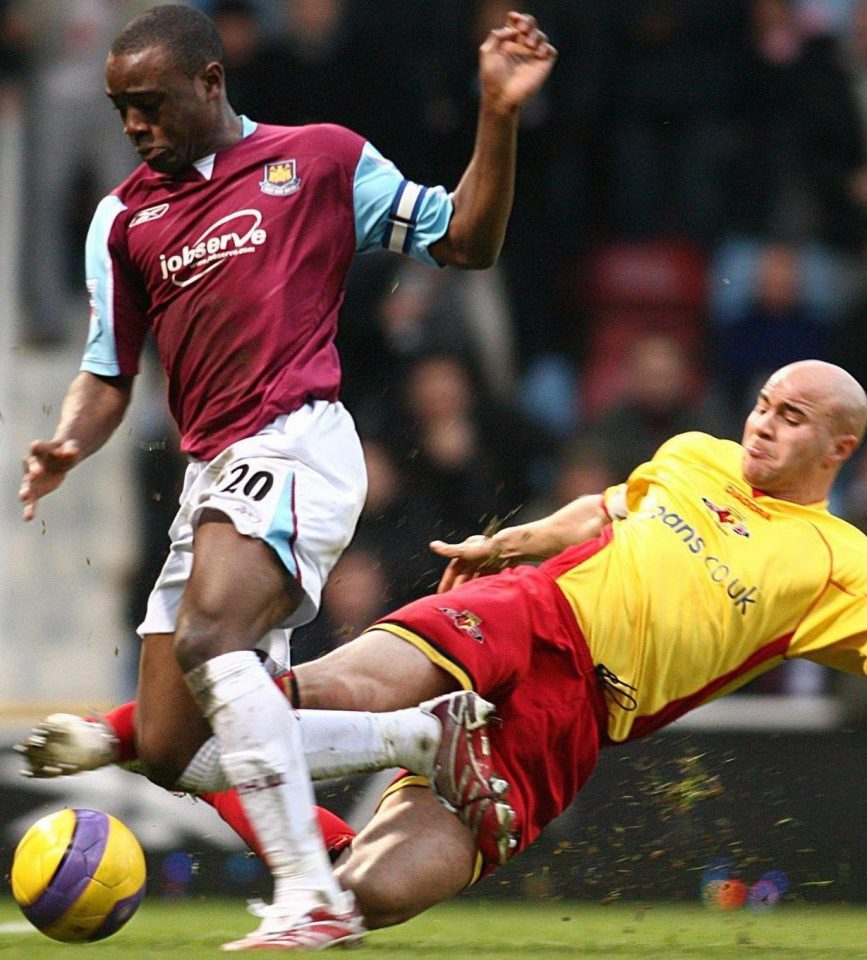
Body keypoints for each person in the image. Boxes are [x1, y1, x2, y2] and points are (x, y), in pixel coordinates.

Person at [17, 2, 557, 950]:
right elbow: (108, 373)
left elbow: (467, 240)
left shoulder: (320, 161)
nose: (134, 126)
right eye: (120, 110)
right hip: (212, 472)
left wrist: (497, 115)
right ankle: (425, 736)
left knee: (213, 637)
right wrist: (69, 440)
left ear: (211, 82)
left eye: (149, 103)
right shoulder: (123, 218)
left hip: (298, 440)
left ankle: (313, 896)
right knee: (183, 754)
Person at [20, 359, 867, 949]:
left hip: (577, 719)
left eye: (790, 418)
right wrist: (509, 545)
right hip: (533, 611)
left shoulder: (841, 563)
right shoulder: (697, 456)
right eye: (763, 404)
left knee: (372, 894)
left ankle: (148, 746)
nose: (762, 425)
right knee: (324, 689)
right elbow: (604, 512)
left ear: (840, 448)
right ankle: (162, 735)